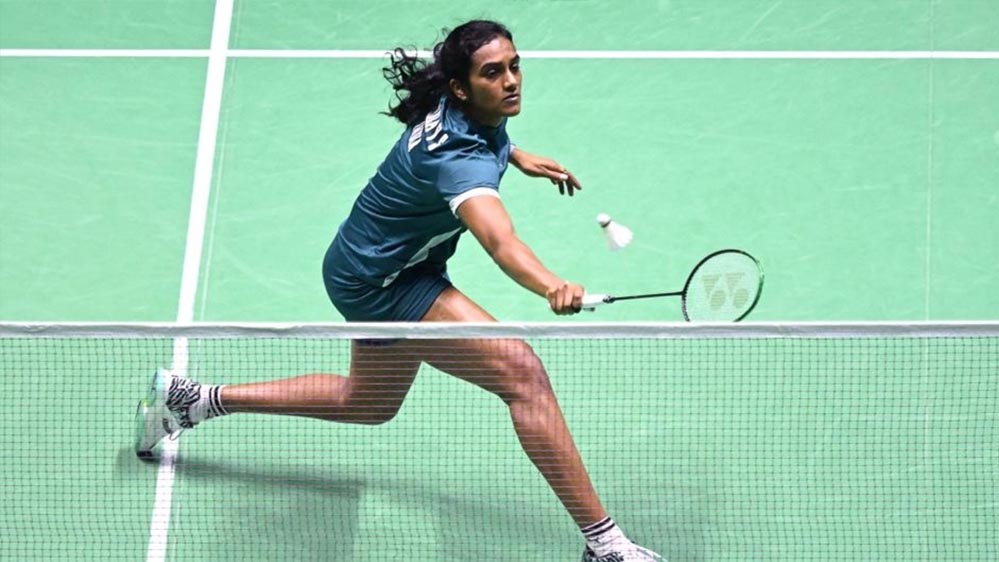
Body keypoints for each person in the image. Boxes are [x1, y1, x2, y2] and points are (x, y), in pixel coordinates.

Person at [135, 20, 663, 562]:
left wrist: (514, 153)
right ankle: (605, 544)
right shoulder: (459, 162)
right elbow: (500, 241)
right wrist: (551, 285)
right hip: (385, 282)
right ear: (461, 87)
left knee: (367, 403)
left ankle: (194, 399)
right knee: (523, 374)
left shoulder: (468, 113)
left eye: (514, 66)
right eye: (492, 73)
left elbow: (476, 142)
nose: (510, 81)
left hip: (369, 263)